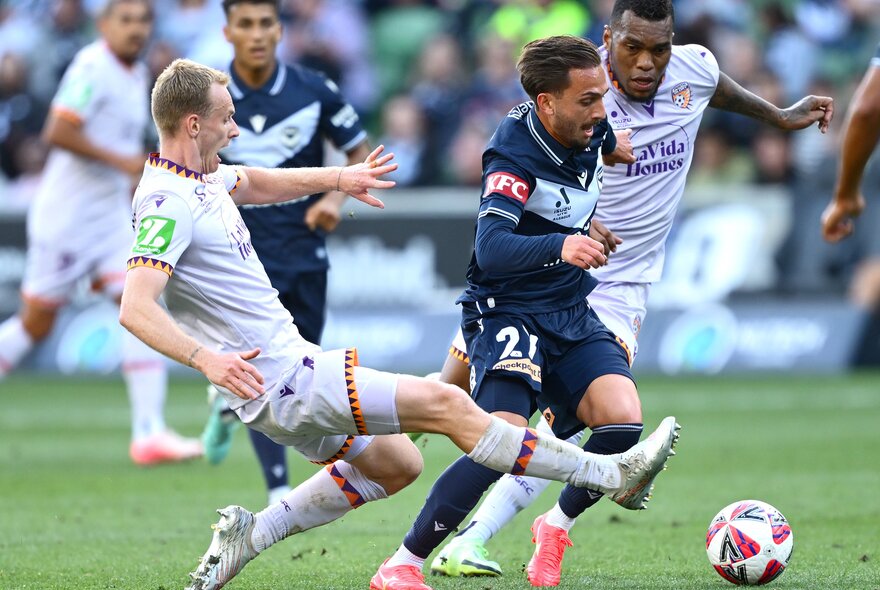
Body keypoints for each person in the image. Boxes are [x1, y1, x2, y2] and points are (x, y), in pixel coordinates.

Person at [121, 58, 679, 590]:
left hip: (276, 381)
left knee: (397, 464)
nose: (235, 130)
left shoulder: (202, 179)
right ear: (194, 124)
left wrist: (341, 177)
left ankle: (254, 533)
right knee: (452, 407)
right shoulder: (168, 202)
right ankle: (611, 474)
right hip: (283, 377)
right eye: (226, 119)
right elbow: (135, 307)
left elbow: (257, 183)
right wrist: (205, 359)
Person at [430, 0, 834, 585]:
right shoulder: (579, 88)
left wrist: (778, 115)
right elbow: (519, 160)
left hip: (620, 287)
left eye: (659, 49)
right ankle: (349, 440)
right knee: (442, 401)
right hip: (539, 275)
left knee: (579, 421)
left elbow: (714, 86)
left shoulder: (691, 69)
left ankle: (515, 533)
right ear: (607, 38)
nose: (647, 64)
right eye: (632, 48)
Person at [369, 35, 681, 590]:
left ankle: (554, 525)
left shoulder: (590, 126)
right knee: (501, 439)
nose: (600, 110)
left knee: (622, 420)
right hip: (507, 309)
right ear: (546, 103)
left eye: (601, 96)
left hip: (566, 305)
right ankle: (403, 563)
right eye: (586, 100)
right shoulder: (513, 154)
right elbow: (491, 248)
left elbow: (596, 153)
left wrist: (607, 169)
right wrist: (564, 243)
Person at [0, 0, 203, 466]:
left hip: (106, 219)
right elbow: (58, 130)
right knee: (35, 324)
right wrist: (125, 163)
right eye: (125, 19)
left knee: (140, 304)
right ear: (104, 24)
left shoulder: (134, 77)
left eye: (143, 20)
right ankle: (148, 429)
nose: (136, 29)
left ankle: (149, 432)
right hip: (67, 219)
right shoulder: (92, 65)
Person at [199, 0, 373, 507]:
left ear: (280, 29)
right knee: (266, 378)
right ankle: (278, 488)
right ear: (227, 30)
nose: (256, 34)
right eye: (245, 24)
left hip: (303, 250)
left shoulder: (314, 88)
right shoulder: (209, 96)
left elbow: (362, 152)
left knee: (301, 380)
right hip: (237, 257)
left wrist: (334, 200)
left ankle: (223, 404)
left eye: (265, 24)